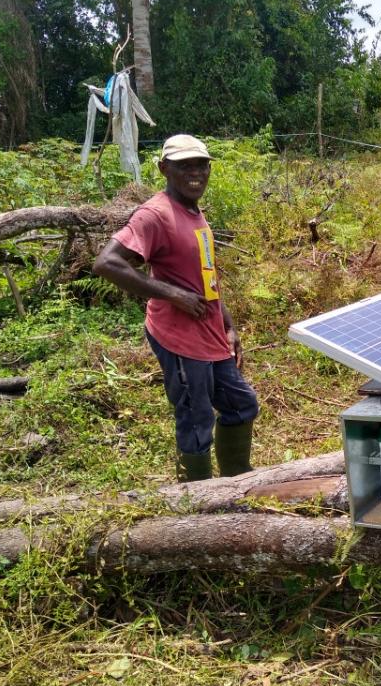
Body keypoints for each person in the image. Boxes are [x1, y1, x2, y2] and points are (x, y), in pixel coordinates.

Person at [92, 134, 259, 482]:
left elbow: (206, 276)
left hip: (209, 333)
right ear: (164, 169)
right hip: (179, 337)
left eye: (201, 165)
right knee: (196, 418)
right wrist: (172, 294)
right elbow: (107, 263)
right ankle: (197, 499)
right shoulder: (155, 215)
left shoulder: (194, 212)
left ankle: (237, 482)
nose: (196, 172)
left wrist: (228, 324)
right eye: (185, 166)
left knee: (241, 404)